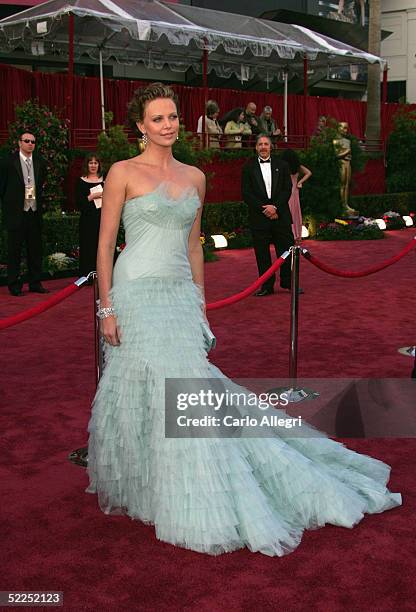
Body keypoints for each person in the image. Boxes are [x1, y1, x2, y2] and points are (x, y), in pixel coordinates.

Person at [86, 82, 401, 558]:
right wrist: (106, 308)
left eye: (172, 117)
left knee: (184, 390)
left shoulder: (195, 177)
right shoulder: (122, 172)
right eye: (157, 119)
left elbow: (194, 246)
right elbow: (106, 245)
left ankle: (193, 490)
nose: (167, 125)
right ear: (140, 126)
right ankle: (149, 487)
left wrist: (200, 306)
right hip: (133, 293)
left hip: (177, 298)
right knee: (143, 389)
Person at [241, 134, 296, 296]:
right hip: (259, 217)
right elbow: (246, 193)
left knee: (286, 251)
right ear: (256, 147)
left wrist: (275, 207)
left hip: (281, 216)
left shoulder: (283, 165)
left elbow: (287, 189)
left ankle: (288, 283)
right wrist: (265, 208)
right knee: (262, 253)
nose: (263, 147)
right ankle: (266, 286)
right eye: (260, 144)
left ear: (271, 146)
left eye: (266, 144)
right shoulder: (248, 167)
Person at [0, 131, 49, 296]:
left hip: (33, 212)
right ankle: (14, 285)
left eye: (33, 141)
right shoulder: (8, 162)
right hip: (15, 213)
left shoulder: (40, 162)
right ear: (19, 143)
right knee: (14, 251)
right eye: (27, 141)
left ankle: (35, 283)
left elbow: (40, 184)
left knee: (35, 250)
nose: (30, 144)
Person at [76, 153, 104, 277]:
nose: (93, 165)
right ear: (87, 165)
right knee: (88, 245)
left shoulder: (105, 180)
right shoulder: (81, 181)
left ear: (99, 165)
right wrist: (91, 197)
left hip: (103, 218)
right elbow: (78, 203)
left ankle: (103, 273)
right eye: (91, 163)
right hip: (87, 219)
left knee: (102, 246)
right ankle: (87, 275)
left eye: (95, 163)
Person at [280, 149, 312, 243]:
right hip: (294, 191)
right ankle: (297, 234)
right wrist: (300, 182)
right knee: (295, 213)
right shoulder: (297, 166)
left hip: (285, 191)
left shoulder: (282, 167)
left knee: (287, 213)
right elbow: (309, 173)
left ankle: (287, 233)